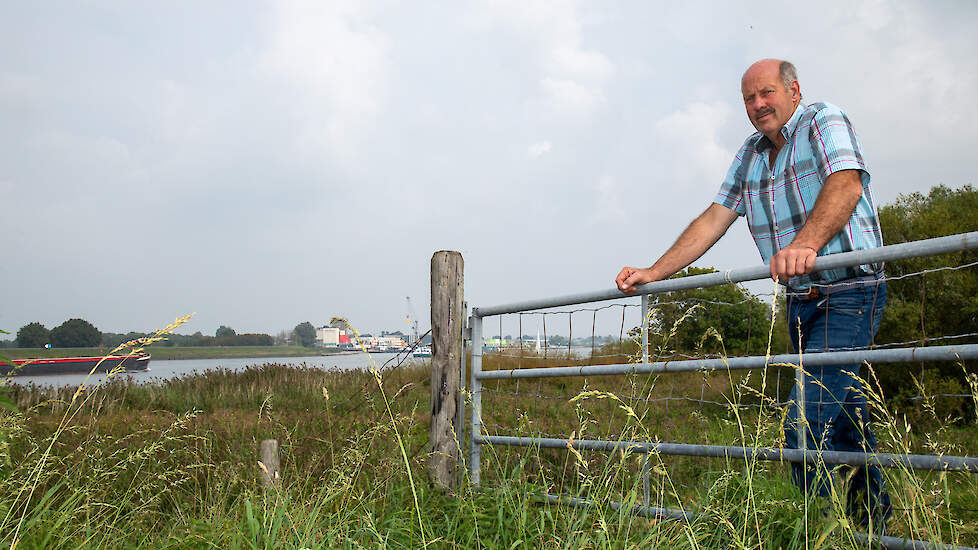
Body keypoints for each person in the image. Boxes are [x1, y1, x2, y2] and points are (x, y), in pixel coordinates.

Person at [615, 58, 890, 532]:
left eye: (766, 93)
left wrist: (805, 244)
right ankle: (874, 530)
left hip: (850, 288)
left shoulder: (824, 120)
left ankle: (820, 533)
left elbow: (845, 182)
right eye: (749, 98)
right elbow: (716, 216)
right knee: (845, 425)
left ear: (794, 90)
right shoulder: (751, 152)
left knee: (804, 423)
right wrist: (654, 271)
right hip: (803, 300)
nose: (758, 104)